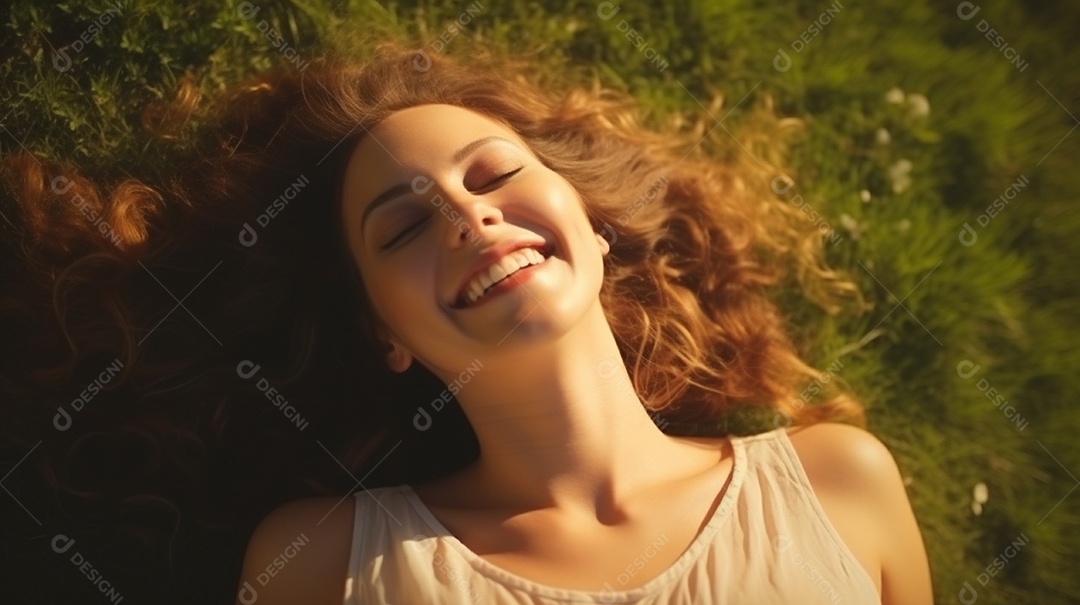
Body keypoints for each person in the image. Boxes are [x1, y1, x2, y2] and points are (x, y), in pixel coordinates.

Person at [1, 39, 932, 604]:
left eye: (494, 177)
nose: (467, 217)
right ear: (384, 335)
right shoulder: (322, 562)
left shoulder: (839, 482)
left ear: (597, 228)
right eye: (406, 225)